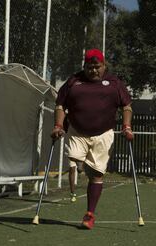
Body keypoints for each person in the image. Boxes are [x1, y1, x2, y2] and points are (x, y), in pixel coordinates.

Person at [51, 48, 133, 229]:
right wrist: (58, 126)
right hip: (77, 131)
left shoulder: (114, 83)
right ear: (84, 66)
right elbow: (60, 105)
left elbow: (127, 106)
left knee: (96, 174)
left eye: (97, 67)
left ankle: (89, 214)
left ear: (104, 66)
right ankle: (80, 164)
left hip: (103, 134)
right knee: (73, 158)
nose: (93, 70)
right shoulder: (73, 81)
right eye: (90, 67)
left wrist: (126, 126)